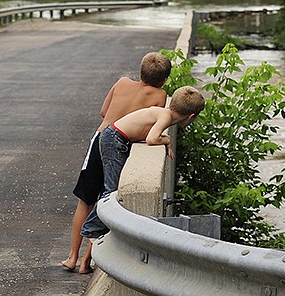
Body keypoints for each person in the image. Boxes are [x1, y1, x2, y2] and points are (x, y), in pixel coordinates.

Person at [61, 52, 172, 274]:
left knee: (85, 201)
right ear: (164, 79)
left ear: (141, 70)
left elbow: (103, 111)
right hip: (121, 147)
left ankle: (72, 256)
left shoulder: (121, 82)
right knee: (107, 198)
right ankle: (86, 262)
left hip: (100, 140)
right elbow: (150, 129)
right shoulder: (160, 95)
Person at [80, 85, 205, 240]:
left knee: (113, 188)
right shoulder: (165, 117)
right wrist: (167, 140)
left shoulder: (163, 113)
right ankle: (91, 228)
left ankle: (95, 227)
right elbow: (152, 139)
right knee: (112, 190)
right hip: (114, 139)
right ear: (191, 116)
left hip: (114, 136)